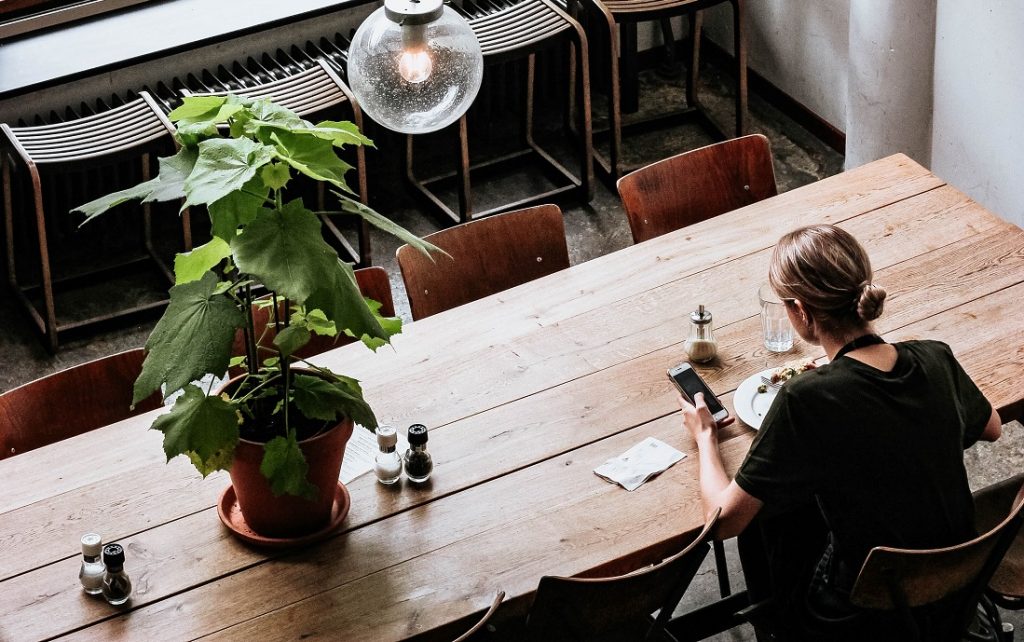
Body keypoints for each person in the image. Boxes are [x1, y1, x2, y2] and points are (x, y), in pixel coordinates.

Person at [678, 224, 1002, 638]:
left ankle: (780, 627)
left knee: (766, 525)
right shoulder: (934, 356)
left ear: (801, 312)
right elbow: (991, 427)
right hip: (956, 578)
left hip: (864, 608)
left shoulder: (805, 400)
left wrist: (705, 436)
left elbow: (721, 523)